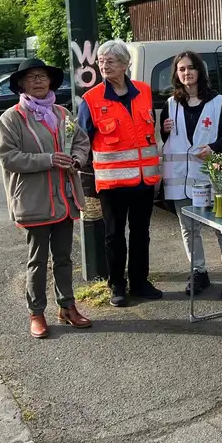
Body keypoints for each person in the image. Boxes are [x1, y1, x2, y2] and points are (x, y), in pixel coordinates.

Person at [0, 58, 93, 339]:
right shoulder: (12, 118)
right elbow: (8, 157)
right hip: (34, 200)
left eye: (42, 76)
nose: (38, 81)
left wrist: (76, 159)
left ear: (50, 82)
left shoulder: (63, 114)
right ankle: (36, 313)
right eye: (31, 77)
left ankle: (67, 307)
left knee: (63, 257)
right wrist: (48, 159)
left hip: (64, 198)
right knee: (37, 260)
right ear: (22, 84)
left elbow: (81, 142)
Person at [78, 39, 163, 307]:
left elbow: (151, 130)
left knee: (141, 232)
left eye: (110, 61)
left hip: (143, 181)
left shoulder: (144, 92)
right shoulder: (91, 100)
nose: (104, 65)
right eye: (101, 61)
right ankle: (116, 284)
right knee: (114, 236)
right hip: (112, 184)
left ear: (126, 65)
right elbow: (81, 142)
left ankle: (140, 281)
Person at [160, 51, 222, 298]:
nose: (187, 73)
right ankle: (198, 273)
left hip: (210, 177)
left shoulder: (217, 102)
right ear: (177, 73)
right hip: (180, 180)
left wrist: (214, 147)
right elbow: (167, 140)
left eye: (191, 68)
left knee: (221, 226)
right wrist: (163, 130)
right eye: (182, 69)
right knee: (189, 229)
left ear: (199, 71)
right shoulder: (170, 104)